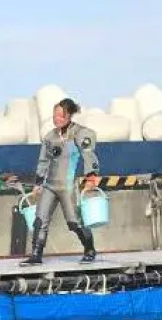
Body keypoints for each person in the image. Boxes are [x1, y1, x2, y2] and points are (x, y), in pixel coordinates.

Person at [22, 97, 101, 266]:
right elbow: (43, 161)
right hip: (50, 185)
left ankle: (89, 249)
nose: (56, 118)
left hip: (67, 186)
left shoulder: (79, 133)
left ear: (69, 115)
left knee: (74, 222)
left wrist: (91, 176)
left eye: (60, 115)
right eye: (54, 115)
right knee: (40, 220)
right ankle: (36, 254)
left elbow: (88, 154)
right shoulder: (50, 137)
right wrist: (38, 182)